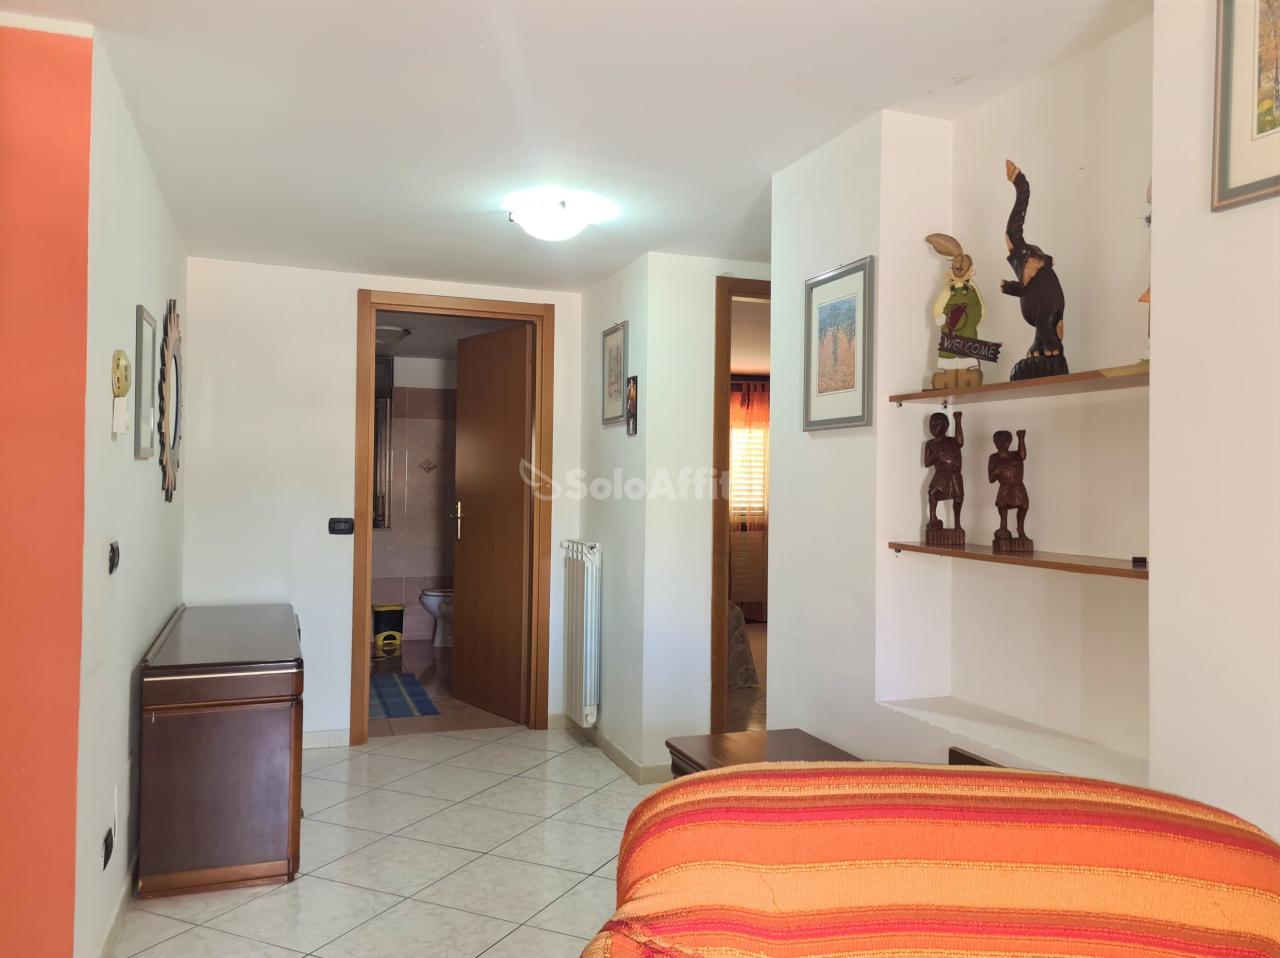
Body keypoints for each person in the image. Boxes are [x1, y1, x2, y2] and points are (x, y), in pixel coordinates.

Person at [925, 411, 964, 531]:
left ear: (945, 426)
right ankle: (933, 518)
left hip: (954, 474)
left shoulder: (952, 441)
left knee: (958, 498)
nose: (933, 427)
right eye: (931, 424)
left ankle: (957, 523)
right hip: (940, 474)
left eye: (937, 424)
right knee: (932, 492)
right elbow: (927, 463)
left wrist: (958, 421)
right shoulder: (930, 444)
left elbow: (960, 442)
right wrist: (937, 455)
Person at [988, 429, 1029, 540]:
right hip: (1005, 486)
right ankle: (1003, 527)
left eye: (1005, 440)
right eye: (998, 441)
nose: (1002, 443)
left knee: (1024, 506)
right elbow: (991, 479)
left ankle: (1020, 529)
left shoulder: (1016, 455)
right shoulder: (994, 458)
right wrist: (997, 471)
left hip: (1018, 486)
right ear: (995, 442)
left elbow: (1023, 456)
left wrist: (1021, 438)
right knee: (1002, 505)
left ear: (1010, 441)